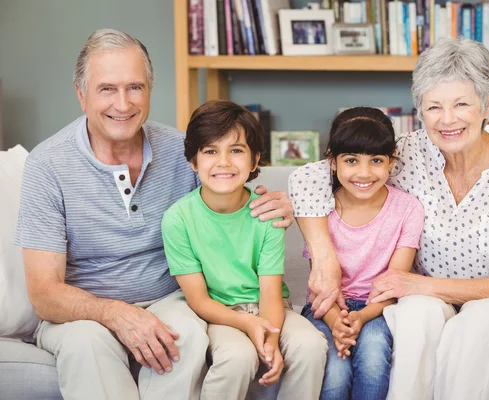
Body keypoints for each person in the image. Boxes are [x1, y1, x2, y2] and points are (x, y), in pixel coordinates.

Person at [15, 29, 293, 400]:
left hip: (169, 299)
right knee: (87, 347)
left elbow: (230, 200)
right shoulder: (47, 165)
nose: (124, 103)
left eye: (135, 87)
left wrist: (283, 204)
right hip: (81, 313)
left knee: (188, 335)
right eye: (107, 89)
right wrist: (114, 313)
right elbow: (44, 293)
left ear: (149, 91)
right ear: (81, 95)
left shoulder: (185, 151)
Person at [289, 37, 489, 400]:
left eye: (461, 104)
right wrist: (324, 257)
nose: (447, 120)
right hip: (425, 301)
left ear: (487, 104)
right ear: (420, 110)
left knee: (479, 320)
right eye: (434, 107)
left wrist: (419, 285)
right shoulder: (408, 154)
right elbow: (308, 178)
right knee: (416, 315)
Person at [161, 100, 327, 400]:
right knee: (237, 356)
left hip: (271, 308)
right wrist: (247, 323)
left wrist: (271, 340)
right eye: (211, 151)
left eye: (236, 150)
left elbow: (271, 293)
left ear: (254, 161)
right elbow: (198, 299)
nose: (223, 162)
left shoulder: (266, 213)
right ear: (193, 161)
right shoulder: (178, 218)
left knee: (311, 346)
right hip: (218, 314)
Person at [300, 107, 424, 400]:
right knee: (335, 372)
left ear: (391, 161)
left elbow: (396, 282)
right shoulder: (319, 207)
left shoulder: (407, 209)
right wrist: (335, 321)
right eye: (351, 160)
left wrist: (362, 317)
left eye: (376, 160)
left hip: (379, 308)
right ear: (332, 161)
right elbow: (317, 279)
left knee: (372, 362)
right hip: (326, 307)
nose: (364, 173)